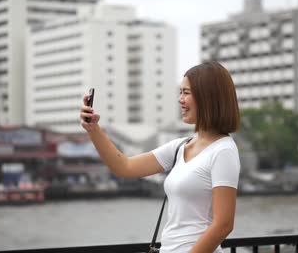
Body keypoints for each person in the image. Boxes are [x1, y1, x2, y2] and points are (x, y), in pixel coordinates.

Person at [80, 61, 241, 253]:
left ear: (208, 97)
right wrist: (93, 129)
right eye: (180, 92)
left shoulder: (223, 151)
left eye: (187, 93)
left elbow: (223, 224)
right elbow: (124, 167)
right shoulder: (180, 147)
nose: (180, 99)